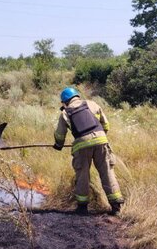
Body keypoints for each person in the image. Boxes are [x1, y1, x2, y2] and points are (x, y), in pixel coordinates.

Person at [53, 86, 125, 215]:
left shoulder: (65, 112)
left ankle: (82, 208)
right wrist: (99, 137)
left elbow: (60, 134)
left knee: (82, 175)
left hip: (81, 146)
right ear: (77, 96)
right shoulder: (92, 104)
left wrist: (58, 145)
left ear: (65, 101)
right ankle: (116, 206)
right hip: (102, 141)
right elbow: (106, 124)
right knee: (107, 171)